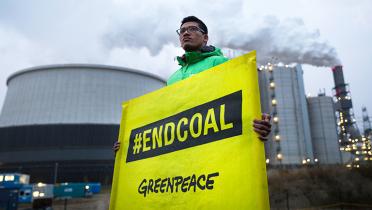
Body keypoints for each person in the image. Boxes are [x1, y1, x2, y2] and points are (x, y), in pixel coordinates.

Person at [113, 16, 271, 153]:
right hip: (182, 150)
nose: (186, 33)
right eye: (182, 31)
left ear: (205, 37)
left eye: (193, 29)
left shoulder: (220, 63)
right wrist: (129, 145)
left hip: (213, 144)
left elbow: (240, 100)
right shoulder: (173, 78)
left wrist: (257, 119)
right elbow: (166, 116)